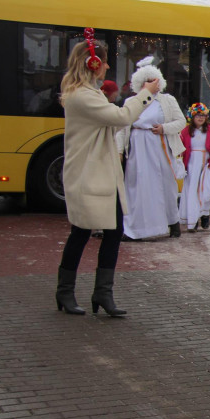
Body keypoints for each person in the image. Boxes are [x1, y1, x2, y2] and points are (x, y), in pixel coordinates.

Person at [56, 32, 160, 316]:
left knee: (109, 233)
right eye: (102, 63)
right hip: (90, 175)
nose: (106, 68)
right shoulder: (82, 96)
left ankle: (100, 293)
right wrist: (146, 93)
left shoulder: (87, 94)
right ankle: (70, 293)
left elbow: (111, 122)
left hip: (99, 175)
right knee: (82, 232)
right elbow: (121, 117)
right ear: (91, 63)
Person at [119, 58, 187, 240]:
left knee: (166, 186)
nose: (151, 84)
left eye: (153, 80)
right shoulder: (131, 101)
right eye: (147, 81)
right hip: (138, 149)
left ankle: (172, 223)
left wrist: (164, 129)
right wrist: (119, 150)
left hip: (160, 147)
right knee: (137, 186)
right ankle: (136, 228)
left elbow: (181, 122)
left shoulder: (167, 100)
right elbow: (122, 126)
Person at [178, 103, 210, 232]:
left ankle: (205, 214)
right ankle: (192, 221)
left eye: (203, 115)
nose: (200, 118)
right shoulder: (185, 131)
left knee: (206, 192)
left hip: (205, 165)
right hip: (191, 165)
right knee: (191, 192)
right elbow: (180, 148)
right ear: (192, 117)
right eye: (197, 115)